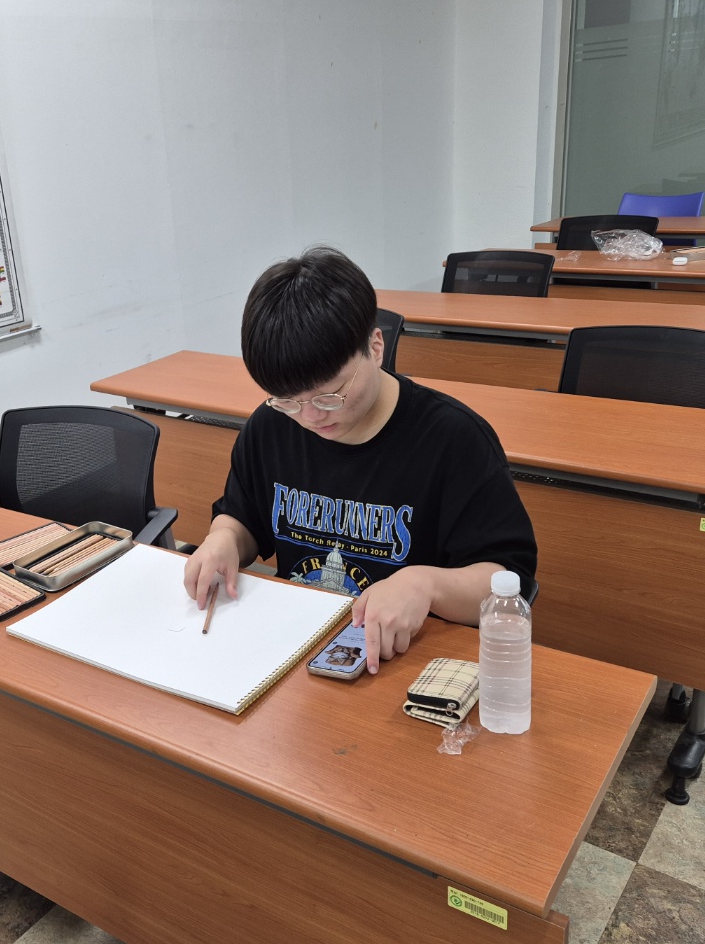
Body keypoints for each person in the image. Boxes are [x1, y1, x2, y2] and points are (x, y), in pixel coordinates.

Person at [181, 246, 537, 674]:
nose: (311, 417)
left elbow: (507, 583)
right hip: (299, 648)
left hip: (409, 657)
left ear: (375, 346)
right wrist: (223, 539)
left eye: (330, 395)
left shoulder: (454, 440)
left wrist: (426, 585)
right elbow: (244, 519)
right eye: (288, 400)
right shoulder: (270, 426)